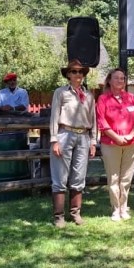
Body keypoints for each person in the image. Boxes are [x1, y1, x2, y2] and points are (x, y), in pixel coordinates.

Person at [49, 59, 97, 227]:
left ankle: (75, 213)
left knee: (79, 175)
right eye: (74, 71)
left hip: (83, 136)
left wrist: (93, 141)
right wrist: (54, 139)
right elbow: (54, 116)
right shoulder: (61, 93)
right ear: (68, 74)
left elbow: (94, 119)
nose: (78, 75)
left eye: (81, 72)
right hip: (65, 134)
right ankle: (59, 216)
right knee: (60, 176)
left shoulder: (89, 95)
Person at [97, 68, 134, 221]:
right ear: (109, 80)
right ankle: (115, 209)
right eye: (116, 78)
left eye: (122, 78)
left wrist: (130, 135)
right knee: (114, 178)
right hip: (111, 143)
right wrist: (116, 137)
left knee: (126, 178)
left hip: (132, 143)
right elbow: (101, 122)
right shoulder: (103, 99)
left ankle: (124, 207)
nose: (120, 81)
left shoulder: (131, 98)